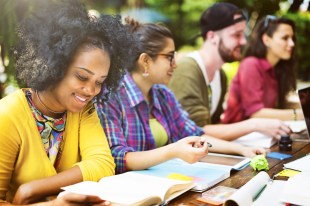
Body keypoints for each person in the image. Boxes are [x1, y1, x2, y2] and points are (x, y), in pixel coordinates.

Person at [0, 0, 132, 205]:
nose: (90, 91)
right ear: (54, 65)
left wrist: (31, 188)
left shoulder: (83, 110)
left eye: (99, 82)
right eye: (81, 77)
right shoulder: (8, 115)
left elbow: (103, 163)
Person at [96, 18, 265, 175]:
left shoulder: (162, 95)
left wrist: (241, 150)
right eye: (169, 57)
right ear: (145, 61)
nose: (175, 65)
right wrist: (173, 150)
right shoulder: (111, 96)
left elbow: (194, 133)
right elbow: (116, 157)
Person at [169, 2, 291, 141]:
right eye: (237, 35)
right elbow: (193, 131)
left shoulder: (219, 75)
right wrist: (254, 124)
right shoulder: (187, 69)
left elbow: (213, 126)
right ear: (212, 37)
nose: (244, 41)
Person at [222, 15, 303, 124]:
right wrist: (299, 114)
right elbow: (255, 112)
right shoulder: (251, 64)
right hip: (237, 135)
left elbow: (279, 104)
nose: (292, 44)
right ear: (266, 40)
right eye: (285, 38)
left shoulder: (277, 68)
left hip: (263, 134)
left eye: (292, 38)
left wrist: (304, 107)